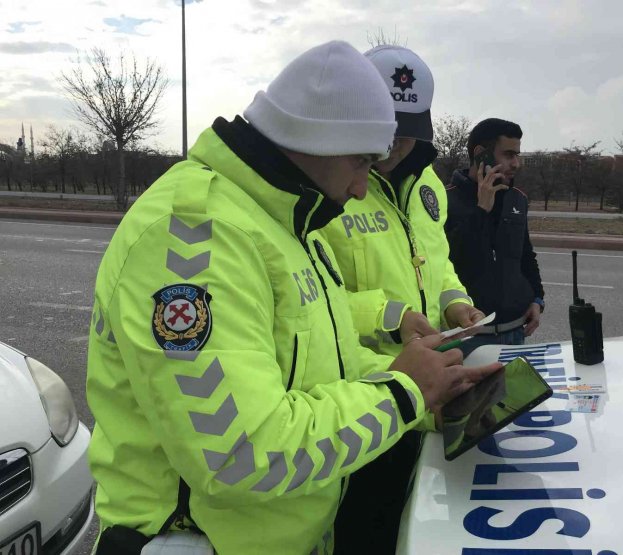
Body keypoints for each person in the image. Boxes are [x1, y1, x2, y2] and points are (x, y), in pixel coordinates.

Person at [86, 41, 499, 555]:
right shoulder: (193, 240)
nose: (360, 189)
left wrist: (432, 392)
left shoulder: (287, 223)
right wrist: (401, 393)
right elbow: (241, 454)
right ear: (318, 138)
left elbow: (326, 367)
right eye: (361, 163)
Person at [319, 45, 485, 554]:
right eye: (383, 130)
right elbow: (307, 302)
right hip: (359, 391)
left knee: (414, 523)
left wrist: (456, 301)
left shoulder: (425, 183)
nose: (392, 146)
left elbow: (437, 262)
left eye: (406, 131)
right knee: (365, 526)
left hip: (429, 381)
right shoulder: (327, 186)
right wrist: (389, 316)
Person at [445, 118, 545, 346]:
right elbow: (452, 261)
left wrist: (537, 299)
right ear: (481, 154)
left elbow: (525, 256)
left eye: (517, 155)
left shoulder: (516, 198)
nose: (516, 163)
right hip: (466, 336)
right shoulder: (444, 200)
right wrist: (481, 210)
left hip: (515, 331)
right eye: (509, 155)